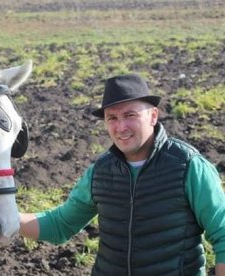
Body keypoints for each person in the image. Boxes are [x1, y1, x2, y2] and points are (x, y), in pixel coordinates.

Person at [19, 73, 225, 275]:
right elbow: (60, 224)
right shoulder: (101, 172)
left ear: (153, 116)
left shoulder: (188, 166)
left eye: (130, 115)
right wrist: (2, 219)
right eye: (112, 118)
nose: (121, 127)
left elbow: (223, 234)